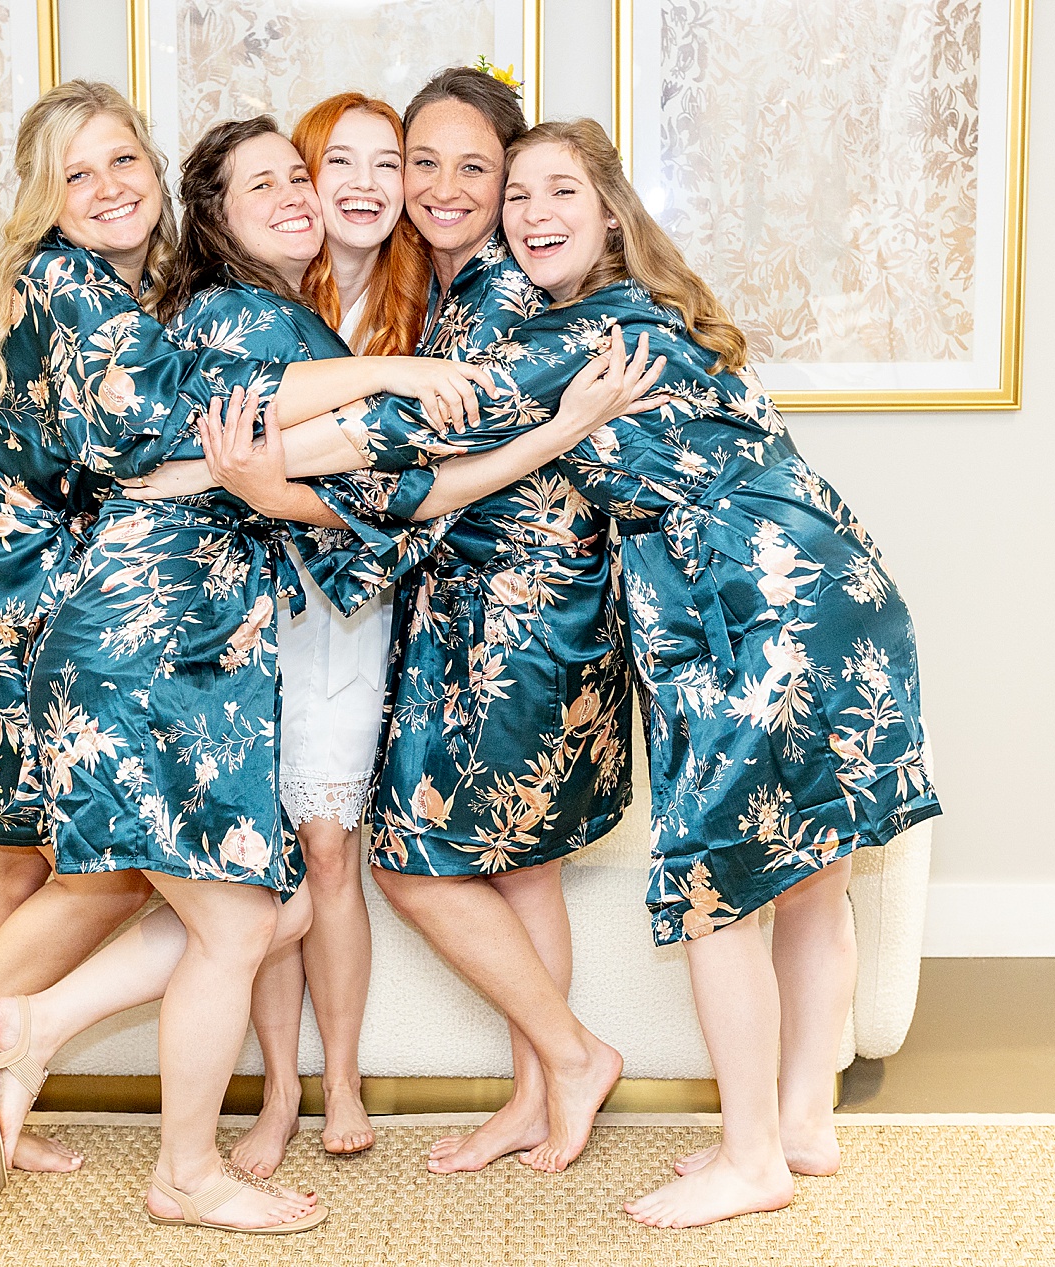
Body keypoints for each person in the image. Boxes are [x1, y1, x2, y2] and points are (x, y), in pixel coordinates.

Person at [278, 117, 945, 1226]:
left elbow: (403, 427)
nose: (533, 215)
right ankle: (797, 1124)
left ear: (609, 215)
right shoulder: (654, 315)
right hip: (839, 589)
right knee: (813, 876)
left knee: (720, 889)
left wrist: (236, 454)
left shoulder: (586, 332)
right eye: (521, 197)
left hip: (740, 613)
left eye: (559, 195)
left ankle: (750, 1160)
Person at [0, 79, 492, 1188]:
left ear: (158, 179)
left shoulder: (136, 293)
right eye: (79, 173)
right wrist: (398, 382)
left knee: (52, 868)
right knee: (51, 870)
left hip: (55, 594)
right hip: (10, 604)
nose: (111, 187)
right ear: (44, 199)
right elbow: (183, 433)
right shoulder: (71, 285)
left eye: (125, 162)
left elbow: (196, 441)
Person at [127, 68, 636, 1181]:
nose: (437, 188)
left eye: (475, 169)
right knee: (497, 869)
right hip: (431, 602)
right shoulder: (350, 295)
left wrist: (222, 478)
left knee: (478, 870)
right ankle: (541, 1085)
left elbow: (402, 444)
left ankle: (557, 1066)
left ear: (511, 184)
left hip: (520, 605)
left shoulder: (497, 292)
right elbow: (391, 439)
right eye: (422, 163)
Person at [226, 90, 432, 1176]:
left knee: (326, 847)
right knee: (260, 862)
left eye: (382, 163)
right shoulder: (252, 300)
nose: (358, 183)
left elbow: (415, 493)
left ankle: (340, 1077)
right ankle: (274, 1093)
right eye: (330, 163)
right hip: (237, 608)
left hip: (349, 608)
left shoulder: (427, 312)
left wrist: (274, 486)